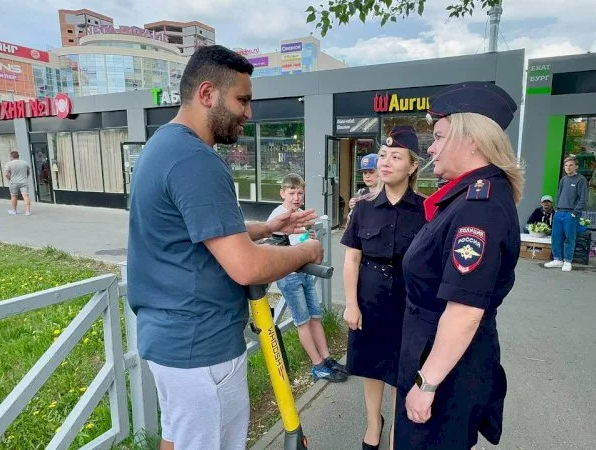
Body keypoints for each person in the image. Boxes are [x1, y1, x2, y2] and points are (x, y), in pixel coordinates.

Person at [126, 45, 324, 450]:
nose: (249, 112)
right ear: (207, 94)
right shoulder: (196, 160)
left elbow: (199, 234)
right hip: (202, 347)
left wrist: (268, 227)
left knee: (177, 438)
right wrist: (307, 252)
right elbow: (247, 268)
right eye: (242, 100)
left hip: (172, 341)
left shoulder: (163, 147)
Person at [394, 82, 524, 450]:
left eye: (438, 137)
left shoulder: (478, 208)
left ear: (472, 141)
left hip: (444, 368)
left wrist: (426, 384)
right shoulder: (471, 196)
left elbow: (465, 311)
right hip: (439, 355)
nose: (431, 148)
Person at [341, 125, 426, 450]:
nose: (386, 162)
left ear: (412, 166)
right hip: (370, 301)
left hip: (408, 304)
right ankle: (374, 422)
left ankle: (396, 435)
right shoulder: (363, 208)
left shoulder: (425, 210)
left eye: (396, 156)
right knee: (372, 366)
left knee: (401, 370)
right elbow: (351, 260)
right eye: (383, 155)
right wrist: (351, 303)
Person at [268, 173, 348, 383]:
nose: (296, 197)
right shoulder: (277, 216)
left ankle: (326, 358)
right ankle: (317, 365)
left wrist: (309, 238)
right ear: (282, 193)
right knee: (303, 321)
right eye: (291, 193)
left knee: (315, 316)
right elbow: (273, 248)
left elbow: (302, 242)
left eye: (299, 193)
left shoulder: (301, 214)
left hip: (306, 272)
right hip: (289, 276)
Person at [544, 155, 587, 272]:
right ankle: (557, 259)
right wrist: (556, 208)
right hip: (559, 212)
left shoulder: (581, 180)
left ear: (576, 166)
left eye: (571, 165)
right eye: (566, 165)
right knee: (556, 236)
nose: (568, 167)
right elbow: (559, 194)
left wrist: (575, 212)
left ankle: (568, 261)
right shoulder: (563, 180)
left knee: (569, 237)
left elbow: (583, 198)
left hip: (571, 214)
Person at [4, 151, 32, 216]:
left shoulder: (9, 164)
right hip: (24, 181)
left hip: (13, 182)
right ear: (18, 156)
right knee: (26, 196)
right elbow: (28, 172)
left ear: (11, 156)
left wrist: (10, 179)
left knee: (13, 196)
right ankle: (28, 211)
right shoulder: (25, 163)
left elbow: (6, 174)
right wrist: (25, 178)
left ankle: (14, 211)